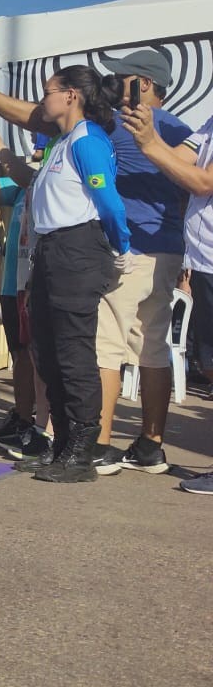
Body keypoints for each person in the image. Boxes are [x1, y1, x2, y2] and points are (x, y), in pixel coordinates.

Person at [0, 65, 129, 483]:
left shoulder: (88, 139)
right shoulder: (60, 141)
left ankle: (81, 451)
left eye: (48, 92)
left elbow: (108, 200)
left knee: (74, 354)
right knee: (47, 351)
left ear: (71, 95)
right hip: (50, 250)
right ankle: (59, 446)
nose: (43, 101)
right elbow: (30, 176)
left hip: (78, 248)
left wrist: (120, 246)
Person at [88, 50, 190, 476]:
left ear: (144, 84)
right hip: (167, 249)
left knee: (106, 345)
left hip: (128, 250)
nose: (115, 88)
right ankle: (151, 446)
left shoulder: (118, 125)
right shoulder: (181, 132)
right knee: (153, 349)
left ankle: (100, 444)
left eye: (123, 79)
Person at [120, 93, 213, 494]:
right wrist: (148, 138)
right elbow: (179, 159)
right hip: (206, 262)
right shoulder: (209, 125)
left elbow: (203, 181)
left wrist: (147, 143)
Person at [0, 128, 52, 460]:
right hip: (12, 281)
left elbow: (27, 174)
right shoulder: (18, 186)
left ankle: (41, 423)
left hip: (39, 279)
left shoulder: (45, 178)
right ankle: (22, 415)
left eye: (40, 148)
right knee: (19, 353)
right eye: (35, 147)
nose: (35, 152)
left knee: (38, 355)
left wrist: (1, 147)